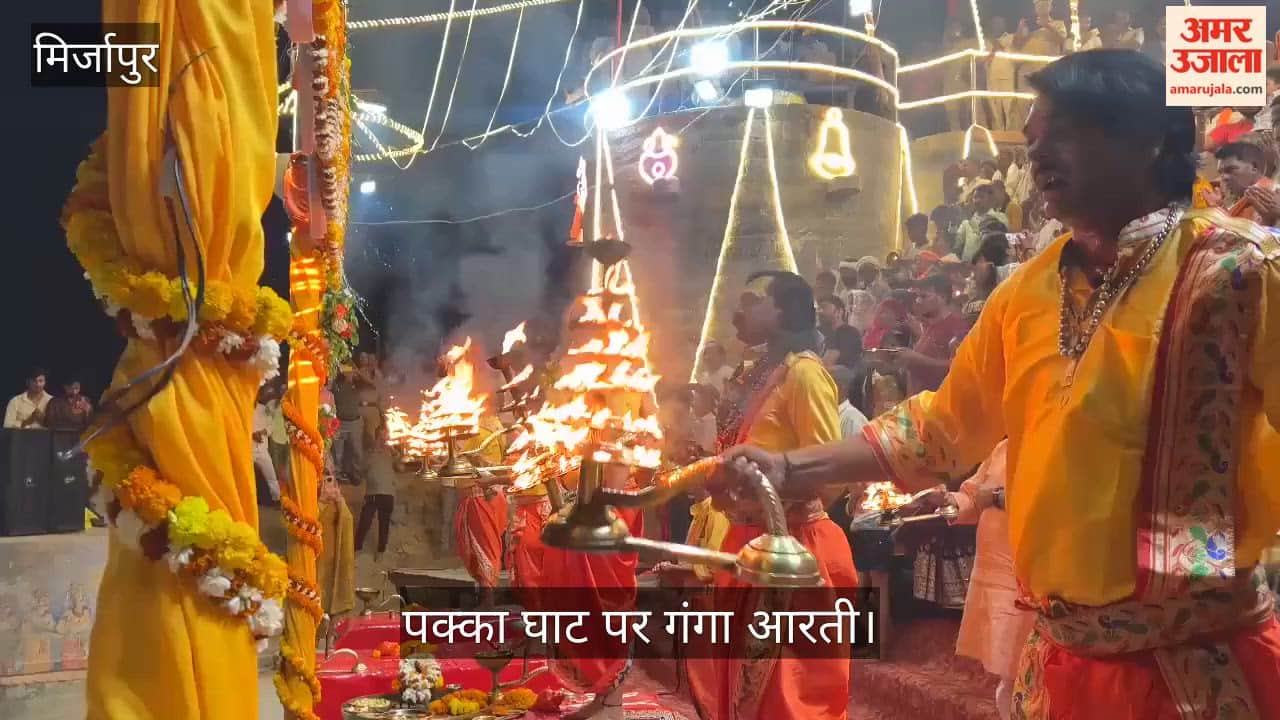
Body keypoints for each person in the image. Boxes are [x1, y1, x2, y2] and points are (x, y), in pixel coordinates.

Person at [723, 50, 1280, 719]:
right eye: (1033, 140)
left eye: (1063, 135)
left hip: (1197, 671)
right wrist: (787, 466)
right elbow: (938, 428)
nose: (1037, 156)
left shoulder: (1237, 273)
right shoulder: (1027, 292)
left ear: (1148, 138)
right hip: (1057, 671)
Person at [688, 271, 854, 720]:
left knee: (786, 698)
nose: (737, 311)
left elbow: (831, 474)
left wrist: (772, 498)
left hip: (793, 554)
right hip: (744, 548)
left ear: (781, 311)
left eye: (751, 300)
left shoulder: (804, 375)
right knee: (737, 686)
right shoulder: (758, 373)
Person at [945, 441, 1033, 720]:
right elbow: (972, 498)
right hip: (996, 577)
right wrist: (945, 501)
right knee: (1009, 679)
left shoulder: (1052, 441)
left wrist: (995, 497)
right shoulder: (1003, 448)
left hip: (1029, 577)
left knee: (1029, 675)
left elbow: (1051, 499)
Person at [355, 423, 398, 562]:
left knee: (384, 523)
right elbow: (361, 470)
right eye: (381, 434)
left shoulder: (392, 452)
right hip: (373, 493)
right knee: (365, 521)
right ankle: (356, 548)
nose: (383, 437)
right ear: (377, 436)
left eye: (385, 434)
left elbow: (401, 466)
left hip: (387, 493)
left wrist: (399, 455)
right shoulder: (369, 452)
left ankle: (381, 551)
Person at [1211, 141, 1279, 225]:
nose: (1224, 177)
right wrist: (1219, 206)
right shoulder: (1241, 197)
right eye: (1221, 173)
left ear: (1254, 167)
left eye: (1231, 170)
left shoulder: (1272, 197)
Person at [958, 183, 1010, 261]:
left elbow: (1005, 242)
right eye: (975, 197)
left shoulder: (1000, 218)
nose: (977, 201)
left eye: (981, 197)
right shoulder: (966, 223)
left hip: (992, 265)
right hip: (967, 268)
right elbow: (957, 245)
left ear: (990, 199)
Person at [330, 366, 364, 482]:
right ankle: (337, 475)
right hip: (340, 423)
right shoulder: (337, 385)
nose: (351, 374)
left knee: (357, 450)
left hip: (354, 423)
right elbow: (330, 386)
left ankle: (356, 474)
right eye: (348, 372)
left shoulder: (358, 385)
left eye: (352, 372)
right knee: (338, 451)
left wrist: (358, 373)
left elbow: (369, 383)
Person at [986, 16, 1018, 131]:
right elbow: (985, 60)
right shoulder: (986, 42)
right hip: (992, 78)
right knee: (995, 110)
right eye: (994, 23)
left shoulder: (1010, 37)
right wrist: (993, 47)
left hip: (1007, 77)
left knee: (1009, 108)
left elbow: (1005, 49)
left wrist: (995, 43)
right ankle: (998, 135)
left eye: (999, 23)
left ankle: (1011, 135)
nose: (997, 25)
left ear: (1004, 25)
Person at [252, 385, 282, 503]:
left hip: (262, 448)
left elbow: (271, 426)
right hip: (248, 448)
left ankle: (277, 499)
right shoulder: (244, 408)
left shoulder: (264, 409)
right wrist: (252, 434)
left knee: (271, 475)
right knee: (245, 476)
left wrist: (262, 432)